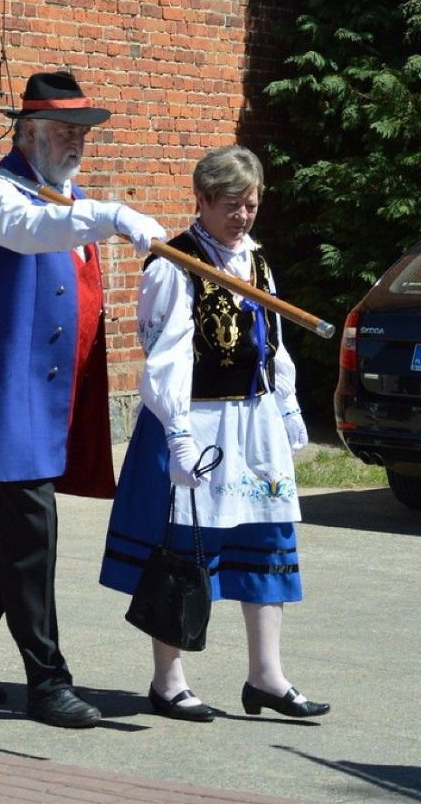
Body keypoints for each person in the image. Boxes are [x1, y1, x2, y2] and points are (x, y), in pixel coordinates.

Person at [0, 70, 167, 728]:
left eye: (81, 132)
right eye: (63, 131)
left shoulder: (68, 196)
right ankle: (48, 681)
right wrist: (111, 216)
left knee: (5, 541)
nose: (76, 142)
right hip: (7, 402)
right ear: (26, 133)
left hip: (54, 403)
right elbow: (32, 232)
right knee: (31, 540)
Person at [99, 145, 329, 722]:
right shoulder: (174, 264)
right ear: (200, 200)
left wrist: (288, 403)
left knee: (268, 542)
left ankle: (266, 677)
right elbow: (164, 360)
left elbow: (270, 340)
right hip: (199, 424)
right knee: (185, 553)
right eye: (231, 204)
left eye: (251, 204)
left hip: (254, 424)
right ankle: (168, 680)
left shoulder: (256, 262)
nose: (243, 216)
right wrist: (178, 435)